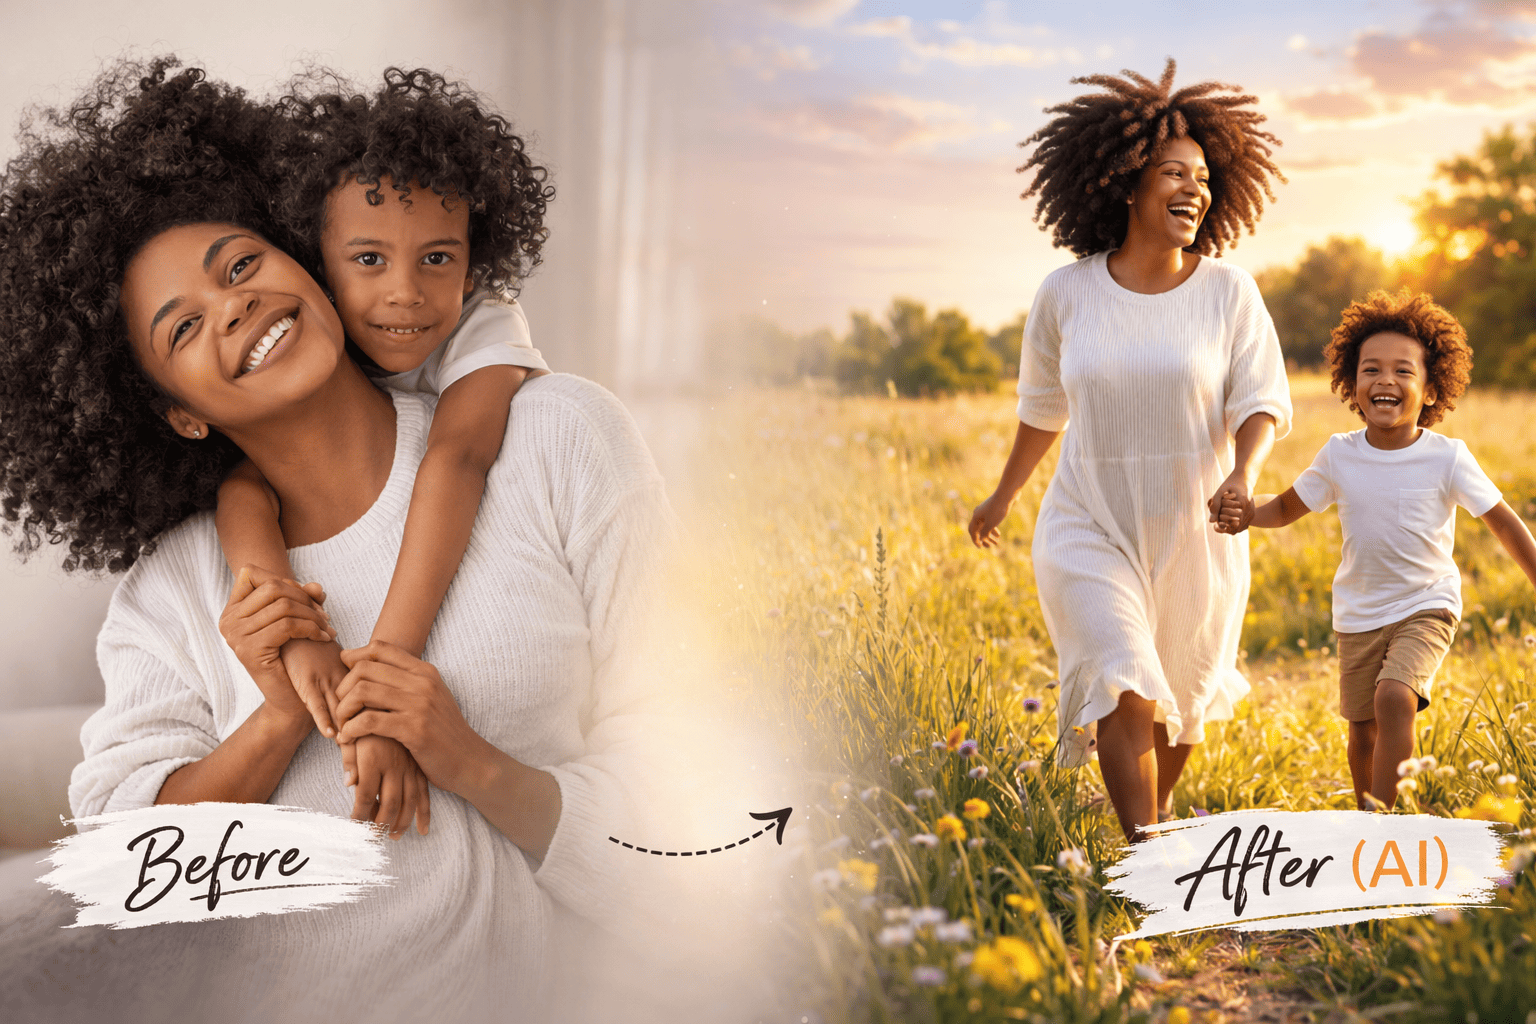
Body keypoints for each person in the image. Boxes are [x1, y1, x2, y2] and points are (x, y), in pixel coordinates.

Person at [0, 60, 670, 1022]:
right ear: (179, 415)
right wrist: (274, 721)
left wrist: (472, 762)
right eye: (185, 325)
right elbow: (123, 890)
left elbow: (696, 809)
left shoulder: (557, 437)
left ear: (299, 256)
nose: (234, 303)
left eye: (241, 265)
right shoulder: (174, 591)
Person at [211, 69, 555, 837]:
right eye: (369, 261)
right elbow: (243, 490)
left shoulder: (484, 328)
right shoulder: (315, 332)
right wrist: (294, 639)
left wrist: (381, 688)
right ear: (318, 259)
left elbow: (456, 459)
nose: (405, 293)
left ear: (476, 256)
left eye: (438, 259)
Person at [967, 60, 1291, 842]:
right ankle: (1147, 863)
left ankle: (1149, 823)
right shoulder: (1066, 293)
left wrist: (1242, 477)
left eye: (1205, 176)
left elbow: (1261, 400)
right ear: (1125, 182)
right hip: (1088, 520)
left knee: (1176, 706)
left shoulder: (1228, 292)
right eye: (1174, 171)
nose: (1194, 188)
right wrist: (1004, 494)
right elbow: (1044, 408)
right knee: (1123, 684)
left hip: (1196, 530)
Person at [1222, 290, 1536, 811]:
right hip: (1358, 614)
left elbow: (1504, 524)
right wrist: (1242, 511)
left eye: (1403, 371)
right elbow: (1283, 509)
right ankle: (1366, 812)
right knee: (1362, 732)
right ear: (1353, 383)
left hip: (1427, 604)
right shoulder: (1339, 455)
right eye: (1371, 369)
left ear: (1433, 390)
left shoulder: (1447, 458)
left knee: (1395, 697)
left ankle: (1386, 825)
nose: (1385, 380)